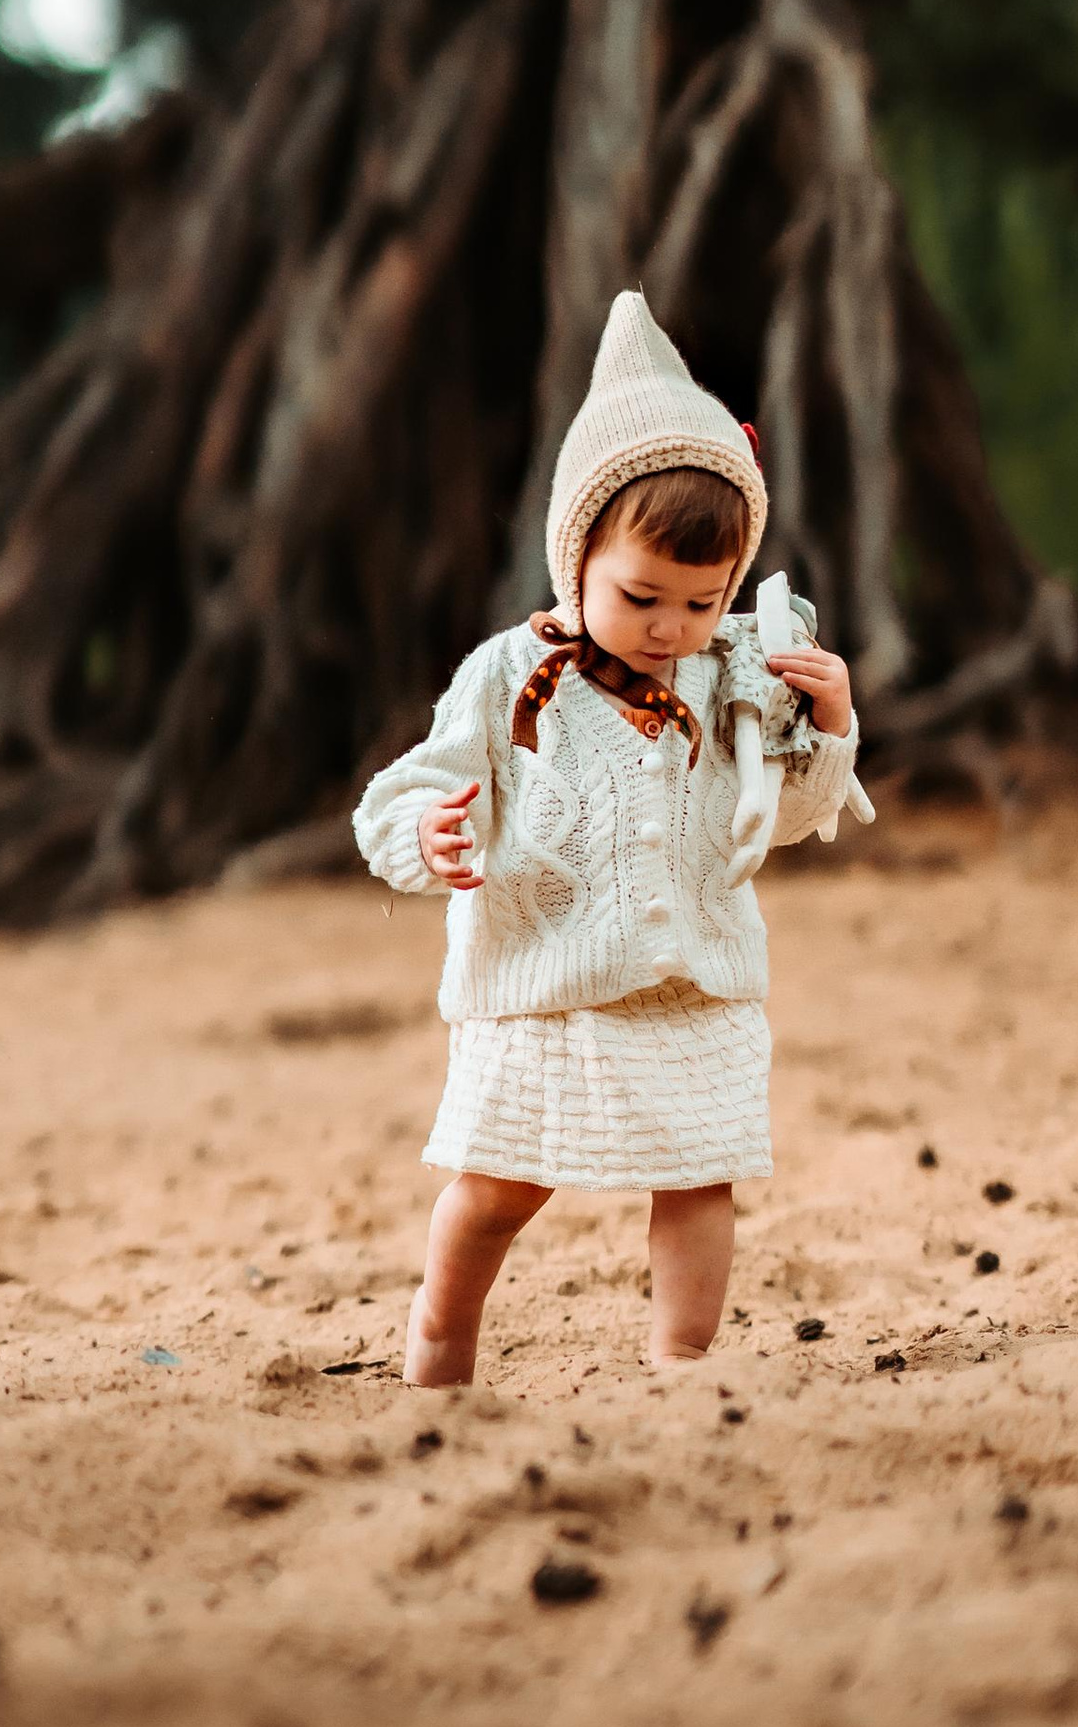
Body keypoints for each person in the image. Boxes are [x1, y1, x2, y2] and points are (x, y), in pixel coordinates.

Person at [353, 292, 860, 1384]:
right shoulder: (504, 677)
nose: (670, 627)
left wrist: (825, 724)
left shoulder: (735, 673)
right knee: (498, 1188)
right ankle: (442, 1337)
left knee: (701, 1176)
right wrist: (428, 841)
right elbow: (404, 791)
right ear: (572, 556)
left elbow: (790, 817)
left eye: (700, 598)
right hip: (546, 983)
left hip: (696, 986)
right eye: (639, 598)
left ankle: (681, 1364)